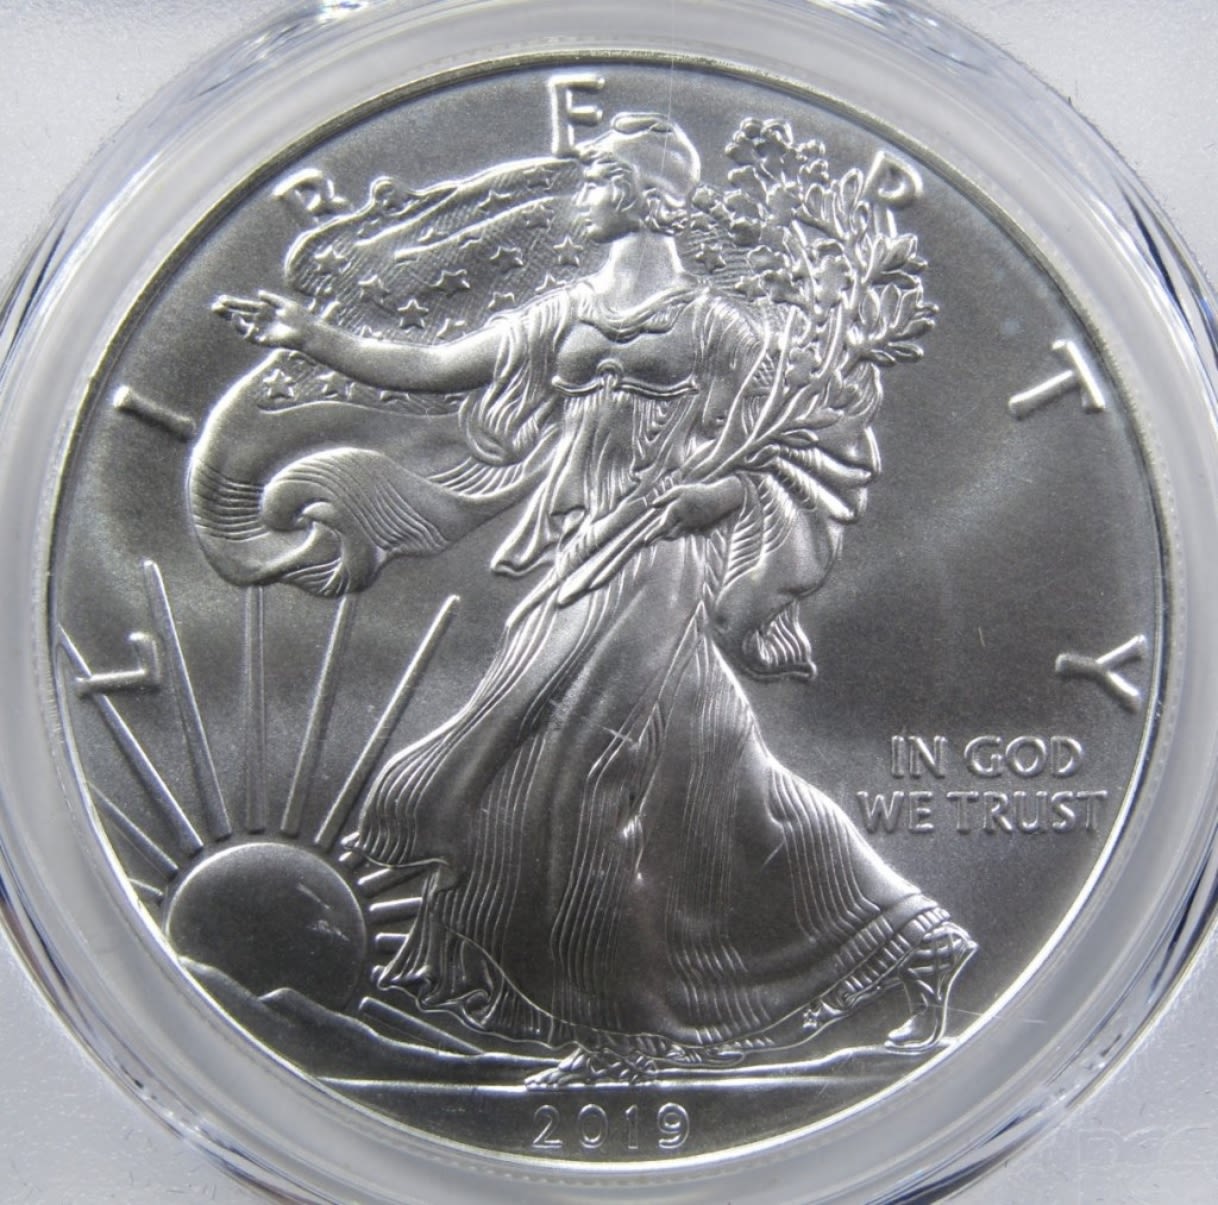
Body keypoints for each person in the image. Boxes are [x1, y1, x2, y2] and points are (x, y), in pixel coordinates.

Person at [217, 113, 974, 1081]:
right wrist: (314, 337)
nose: (579, 195)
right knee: (699, 773)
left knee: (584, 761)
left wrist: (710, 496)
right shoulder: (562, 313)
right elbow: (438, 368)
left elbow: (800, 448)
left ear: (643, 193)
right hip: (583, 548)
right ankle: (909, 942)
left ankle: (617, 1029)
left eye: (597, 177)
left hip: (660, 560)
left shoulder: (717, 326)